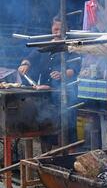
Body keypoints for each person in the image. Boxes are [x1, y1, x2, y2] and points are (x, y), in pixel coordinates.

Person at [18, 15, 81, 151]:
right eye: (55, 28)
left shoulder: (71, 46)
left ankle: (68, 157)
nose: (57, 32)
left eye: (60, 29)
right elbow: (31, 57)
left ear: (67, 30)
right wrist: (25, 64)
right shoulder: (47, 45)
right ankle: (47, 159)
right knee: (46, 128)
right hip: (47, 95)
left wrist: (62, 74)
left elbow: (75, 68)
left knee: (67, 129)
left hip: (66, 95)